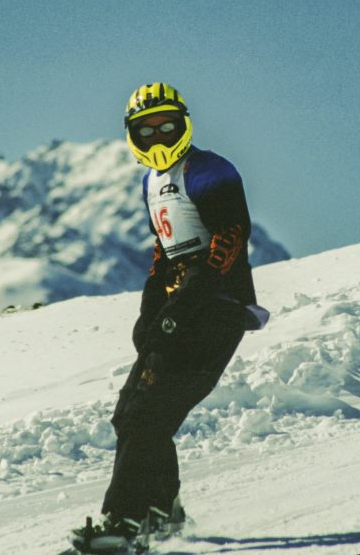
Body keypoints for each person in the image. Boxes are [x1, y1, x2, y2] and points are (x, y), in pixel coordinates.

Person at [71, 82, 268, 553]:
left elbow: (225, 245)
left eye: (167, 127)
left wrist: (180, 310)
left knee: (145, 417)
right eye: (146, 130)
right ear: (131, 136)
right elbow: (165, 254)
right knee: (130, 415)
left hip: (216, 311)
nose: (158, 138)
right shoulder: (152, 182)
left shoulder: (209, 171)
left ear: (185, 125)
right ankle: (163, 512)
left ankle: (124, 522)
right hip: (184, 308)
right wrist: (150, 311)